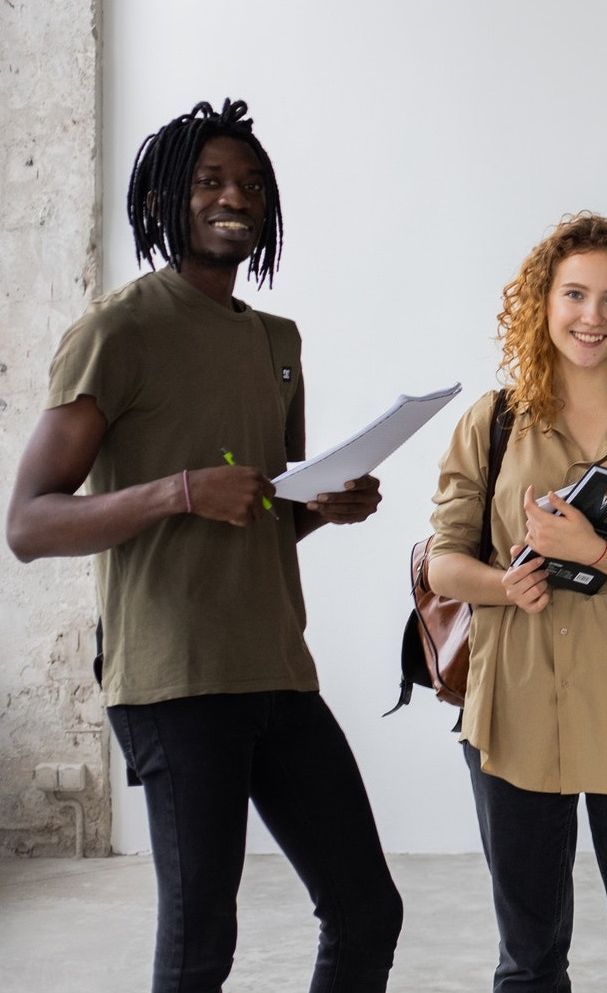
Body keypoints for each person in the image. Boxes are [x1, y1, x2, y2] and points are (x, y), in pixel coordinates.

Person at [6, 99, 402, 993]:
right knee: (199, 947)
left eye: (252, 184)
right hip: (173, 675)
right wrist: (179, 489)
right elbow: (28, 522)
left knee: (367, 908)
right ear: (167, 197)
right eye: (211, 180)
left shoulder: (277, 342)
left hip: (275, 668)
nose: (236, 196)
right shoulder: (119, 331)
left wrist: (321, 507)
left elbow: (259, 515)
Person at [428, 213, 607, 992]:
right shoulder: (491, 419)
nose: (593, 317)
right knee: (527, 960)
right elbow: (443, 561)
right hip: (515, 706)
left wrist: (592, 551)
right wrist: (503, 584)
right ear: (543, 301)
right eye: (575, 294)